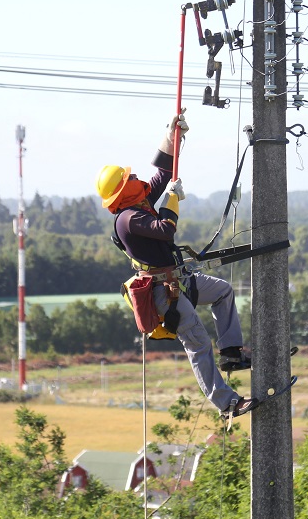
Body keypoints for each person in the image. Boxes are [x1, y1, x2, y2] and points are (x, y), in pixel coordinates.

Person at [95, 109, 256, 418]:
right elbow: (165, 229)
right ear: (122, 190)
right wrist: (171, 200)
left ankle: (232, 352)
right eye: (129, 178)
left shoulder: (137, 202)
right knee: (197, 342)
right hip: (163, 293)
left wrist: (172, 137)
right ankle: (228, 403)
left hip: (178, 280)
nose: (135, 177)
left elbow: (162, 175)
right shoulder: (127, 219)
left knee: (222, 292)